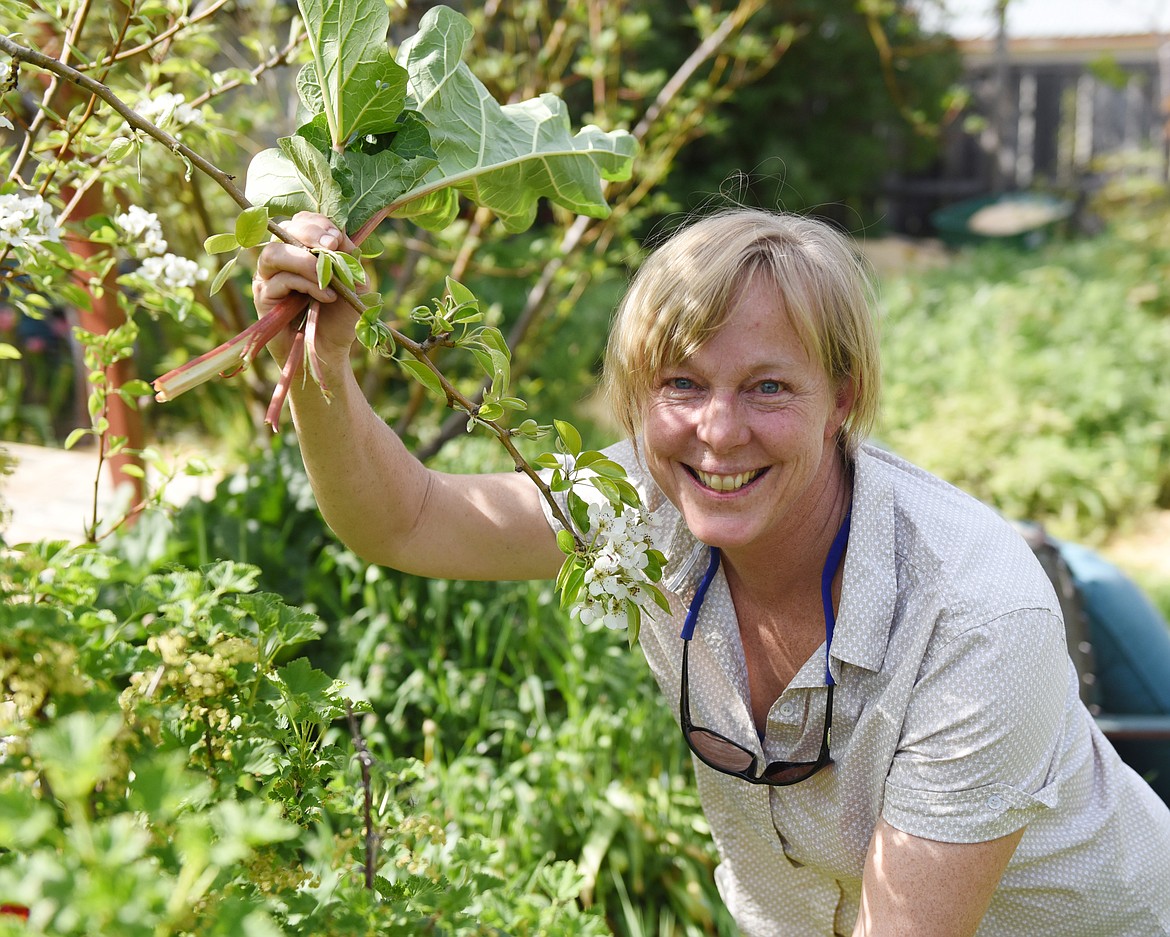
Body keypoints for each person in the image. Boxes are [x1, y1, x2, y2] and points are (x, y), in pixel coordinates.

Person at [254, 208, 1170, 936]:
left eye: (768, 386)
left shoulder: (974, 614)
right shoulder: (642, 505)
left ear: (841, 399)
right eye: (682, 385)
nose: (718, 433)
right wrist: (321, 360)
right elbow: (409, 519)